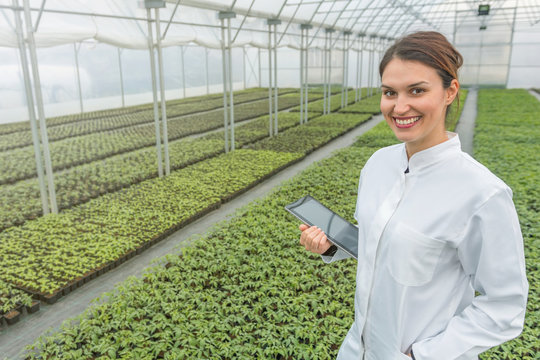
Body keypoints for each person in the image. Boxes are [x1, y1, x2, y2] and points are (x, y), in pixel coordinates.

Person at [299, 31, 528, 360]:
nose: (399, 106)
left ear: (450, 92)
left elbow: (504, 307)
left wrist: (423, 355)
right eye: (389, 92)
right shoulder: (377, 165)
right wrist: (333, 247)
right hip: (356, 350)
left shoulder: (482, 194)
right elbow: (383, 245)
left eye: (417, 90)